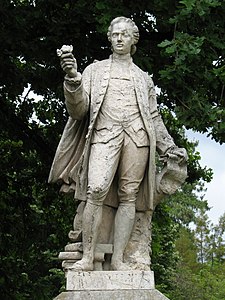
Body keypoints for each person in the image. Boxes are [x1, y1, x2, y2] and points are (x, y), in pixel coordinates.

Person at [49, 16, 187, 271]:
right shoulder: (94, 71)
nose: (119, 38)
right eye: (115, 34)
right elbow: (79, 111)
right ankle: (88, 258)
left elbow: (153, 117)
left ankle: (119, 260)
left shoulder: (143, 78)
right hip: (104, 134)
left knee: (129, 197)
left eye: (124, 34)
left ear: (133, 39)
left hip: (137, 139)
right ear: (110, 38)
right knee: (96, 190)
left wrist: (168, 147)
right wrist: (72, 78)